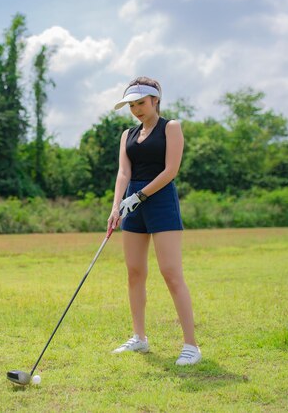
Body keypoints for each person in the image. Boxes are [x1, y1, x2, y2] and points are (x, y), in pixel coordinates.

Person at [107, 76, 201, 366]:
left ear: (155, 101)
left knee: (171, 273)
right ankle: (140, 338)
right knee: (134, 272)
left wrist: (140, 195)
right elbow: (124, 172)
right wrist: (116, 207)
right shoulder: (128, 135)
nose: (136, 109)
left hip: (159, 201)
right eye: (131, 105)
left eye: (141, 103)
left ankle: (191, 346)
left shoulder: (170, 128)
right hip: (132, 203)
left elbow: (171, 170)